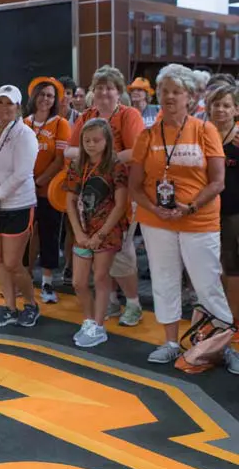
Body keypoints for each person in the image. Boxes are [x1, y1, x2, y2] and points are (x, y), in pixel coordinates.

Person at [129, 64, 238, 371]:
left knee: (207, 284)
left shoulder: (205, 131)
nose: (169, 97)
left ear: (190, 97)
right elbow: (134, 186)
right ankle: (170, 343)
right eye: (164, 91)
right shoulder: (147, 135)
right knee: (164, 281)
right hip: (157, 221)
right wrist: (154, 208)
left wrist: (188, 208)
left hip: (199, 221)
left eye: (176, 92)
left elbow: (218, 182)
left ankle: (222, 345)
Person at [65, 65, 145, 327]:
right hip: (90, 197)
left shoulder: (129, 115)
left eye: (109, 88)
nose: (104, 93)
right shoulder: (86, 115)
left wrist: (105, 161)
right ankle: (110, 299)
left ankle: (133, 302)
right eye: (99, 88)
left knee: (121, 250)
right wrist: (96, 159)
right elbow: (69, 151)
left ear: (119, 91)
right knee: (100, 254)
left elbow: (137, 151)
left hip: (123, 192)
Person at [0, 85, 41, 328]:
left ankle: (31, 305)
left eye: (9, 103)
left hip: (17, 205)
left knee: (14, 263)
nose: (4, 107)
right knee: (0, 259)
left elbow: (22, 173)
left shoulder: (25, 134)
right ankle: (10, 308)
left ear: (18, 107)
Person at [65, 119, 128, 348]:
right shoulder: (76, 165)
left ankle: (99, 326)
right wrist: (78, 233)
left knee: (101, 277)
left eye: (96, 140)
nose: (91, 144)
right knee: (79, 282)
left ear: (107, 141)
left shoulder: (116, 166)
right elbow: (69, 201)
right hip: (83, 229)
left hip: (106, 231)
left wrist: (100, 235)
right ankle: (89, 320)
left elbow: (120, 205)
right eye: (87, 140)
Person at [24, 77, 71, 304]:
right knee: (24, 236)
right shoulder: (24, 123)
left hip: (48, 191)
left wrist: (40, 180)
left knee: (49, 236)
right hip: (24, 191)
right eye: (42, 94)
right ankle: (23, 280)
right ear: (34, 96)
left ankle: (48, 282)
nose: (45, 99)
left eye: (50, 96)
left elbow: (59, 159)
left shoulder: (61, 123)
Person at [207, 83, 239, 325]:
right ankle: (214, 314)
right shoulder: (202, 134)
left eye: (226, 105)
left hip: (232, 212)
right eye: (216, 105)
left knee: (231, 265)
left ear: (236, 110)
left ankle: (233, 317)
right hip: (205, 211)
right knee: (209, 266)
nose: (220, 110)